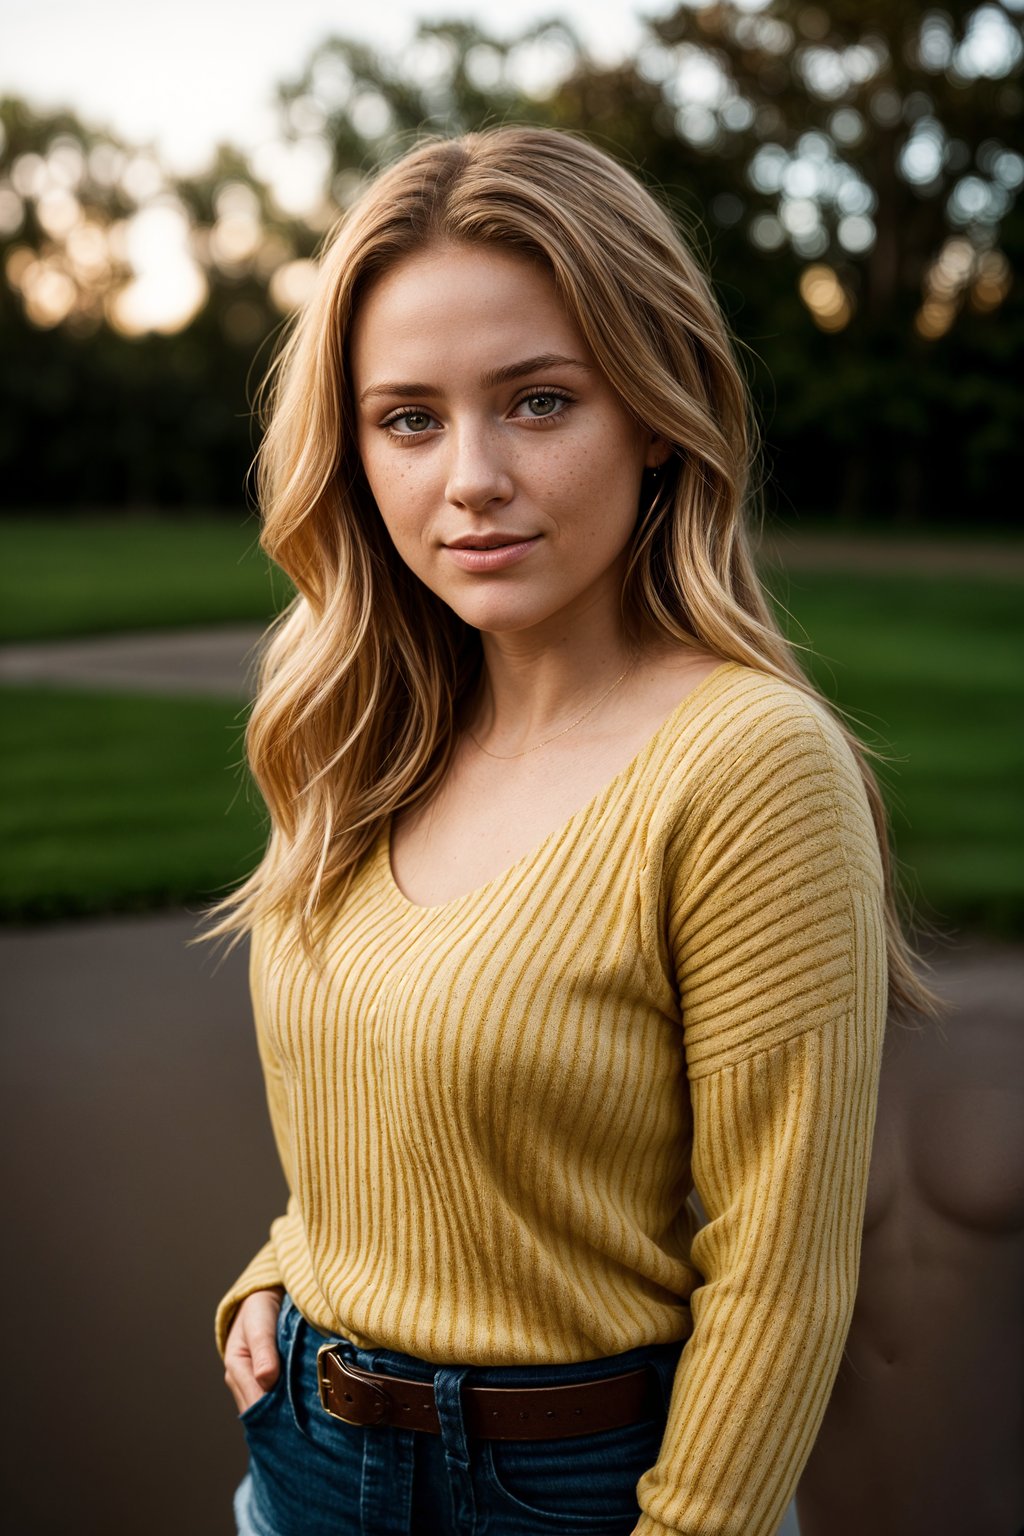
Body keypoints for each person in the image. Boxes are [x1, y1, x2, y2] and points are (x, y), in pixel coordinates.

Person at [206, 125, 938, 1536]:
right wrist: (287, 1263)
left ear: (657, 412)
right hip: (300, 1460)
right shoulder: (369, 731)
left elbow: (780, 1273)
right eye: (408, 419)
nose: (468, 476)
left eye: (538, 403)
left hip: (583, 1493)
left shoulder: (746, 762)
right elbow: (374, 1087)